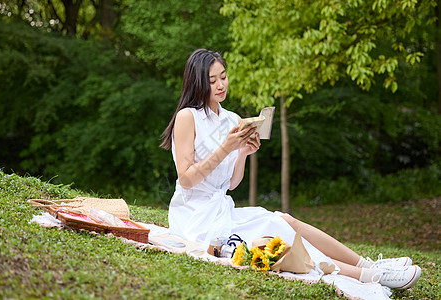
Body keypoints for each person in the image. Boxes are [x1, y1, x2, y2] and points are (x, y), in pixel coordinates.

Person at [160, 48, 421, 290]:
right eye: (212, 80)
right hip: (195, 219)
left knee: (287, 219)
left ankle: (369, 264)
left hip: (221, 209)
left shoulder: (232, 119)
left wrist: (243, 153)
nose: (220, 85)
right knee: (278, 229)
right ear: (197, 82)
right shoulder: (188, 117)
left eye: (223, 77)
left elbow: (231, 184)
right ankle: (370, 277)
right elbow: (186, 179)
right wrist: (227, 148)